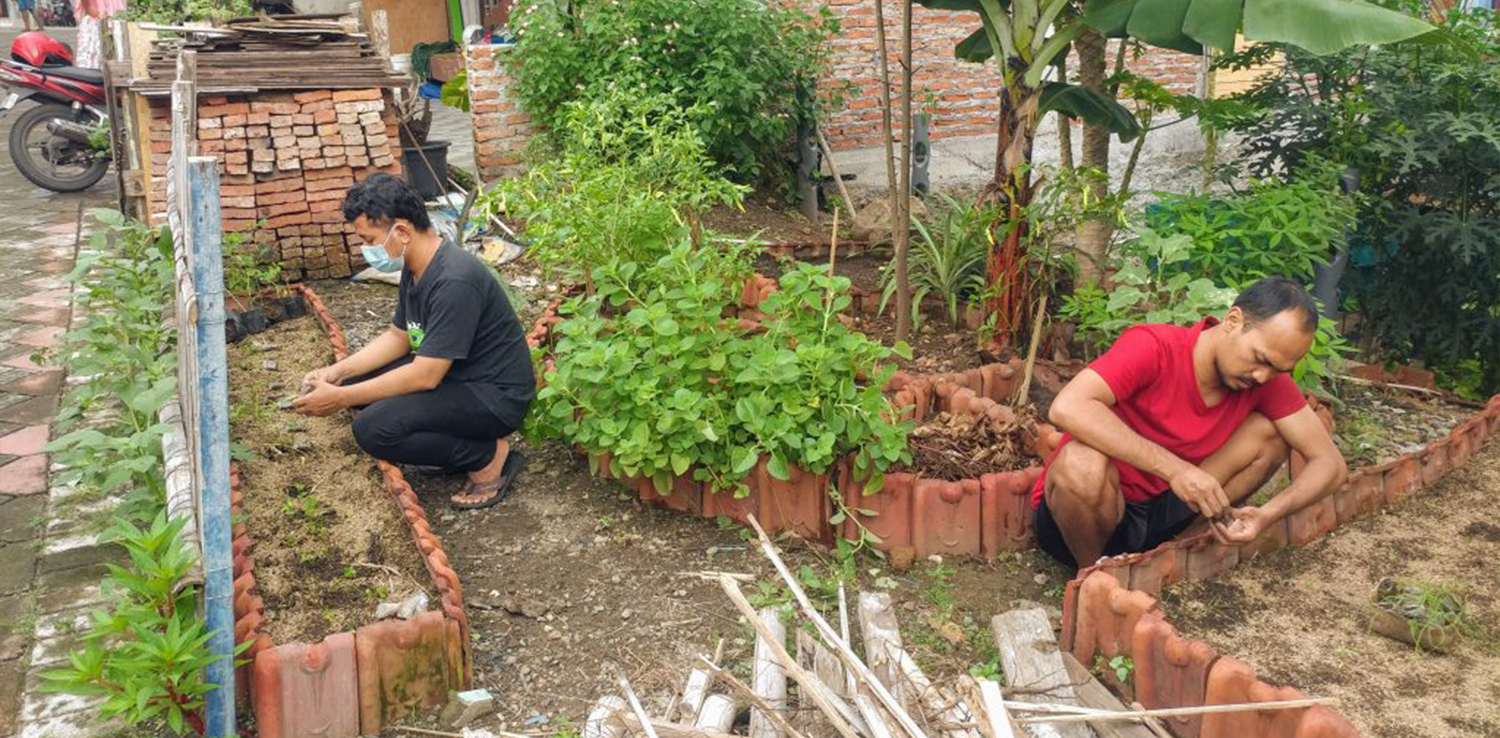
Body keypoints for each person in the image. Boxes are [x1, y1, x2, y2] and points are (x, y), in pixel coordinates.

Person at [1033, 277, 1348, 569]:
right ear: (1233, 321)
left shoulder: (1266, 380)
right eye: (1261, 359)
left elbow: (1331, 465)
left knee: (1269, 435)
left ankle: (1178, 553)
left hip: (1166, 512)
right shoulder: (1155, 347)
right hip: (1088, 519)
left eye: (1279, 370)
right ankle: (1094, 574)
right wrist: (1176, 469)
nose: (1262, 376)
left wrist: (1268, 515)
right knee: (1079, 461)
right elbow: (1067, 407)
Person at [293, 174, 536, 509]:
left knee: (373, 430)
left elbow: (425, 376)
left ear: (402, 231)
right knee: (357, 384)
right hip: (457, 375)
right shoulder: (416, 264)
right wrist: (336, 373)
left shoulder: (454, 279)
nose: (367, 250)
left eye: (370, 239)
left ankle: (487, 456)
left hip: (494, 395)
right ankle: (451, 445)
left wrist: (340, 398)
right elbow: (399, 336)